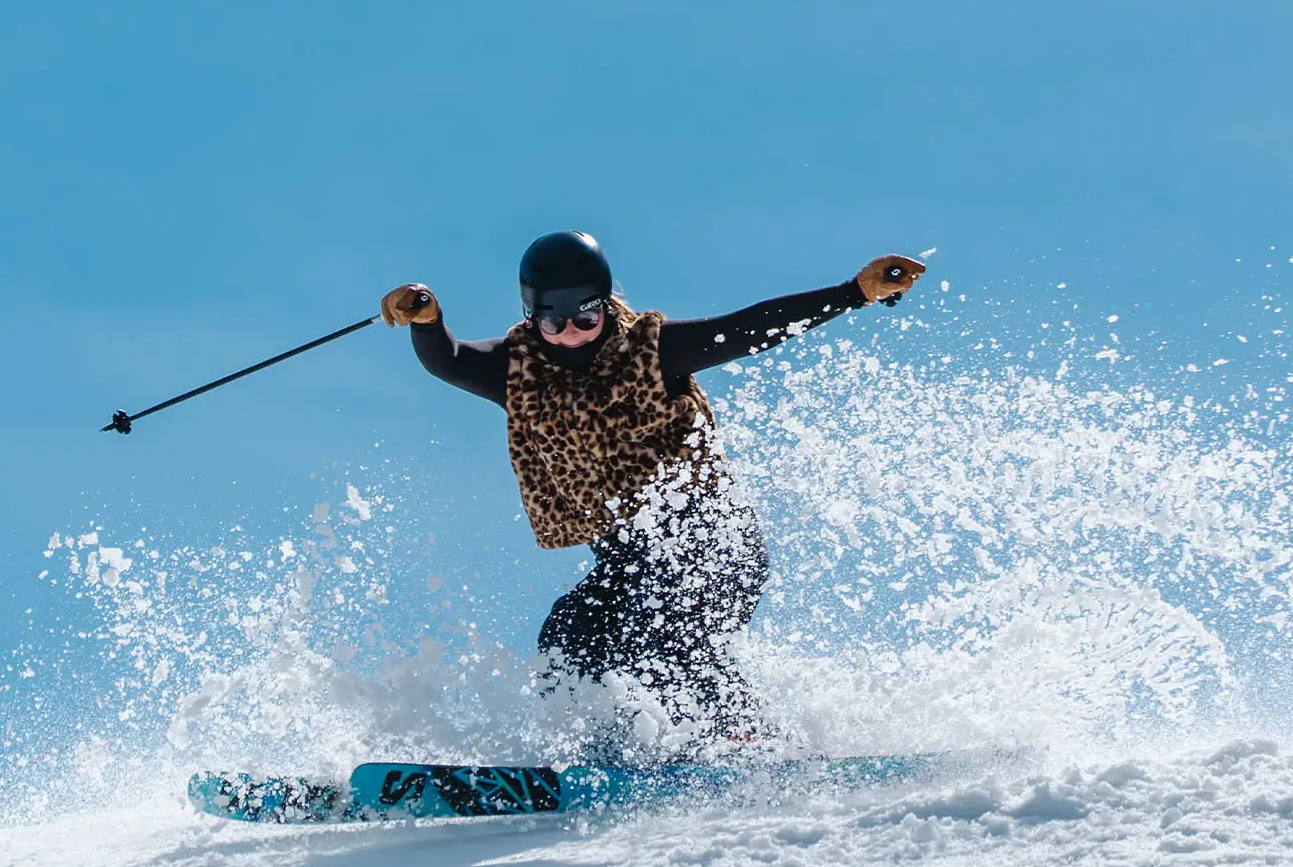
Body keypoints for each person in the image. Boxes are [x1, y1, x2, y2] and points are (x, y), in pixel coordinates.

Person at [380, 232, 926, 752]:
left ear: (604, 303)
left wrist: (854, 293)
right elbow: (447, 360)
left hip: (714, 542)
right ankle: (604, 751)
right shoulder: (515, 370)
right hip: (630, 558)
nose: (570, 329)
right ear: (531, 313)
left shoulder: (652, 349)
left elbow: (749, 327)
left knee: (668, 637)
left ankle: (749, 741)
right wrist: (426, 320)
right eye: (552, 318)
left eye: (586, 315)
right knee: (569, 641)